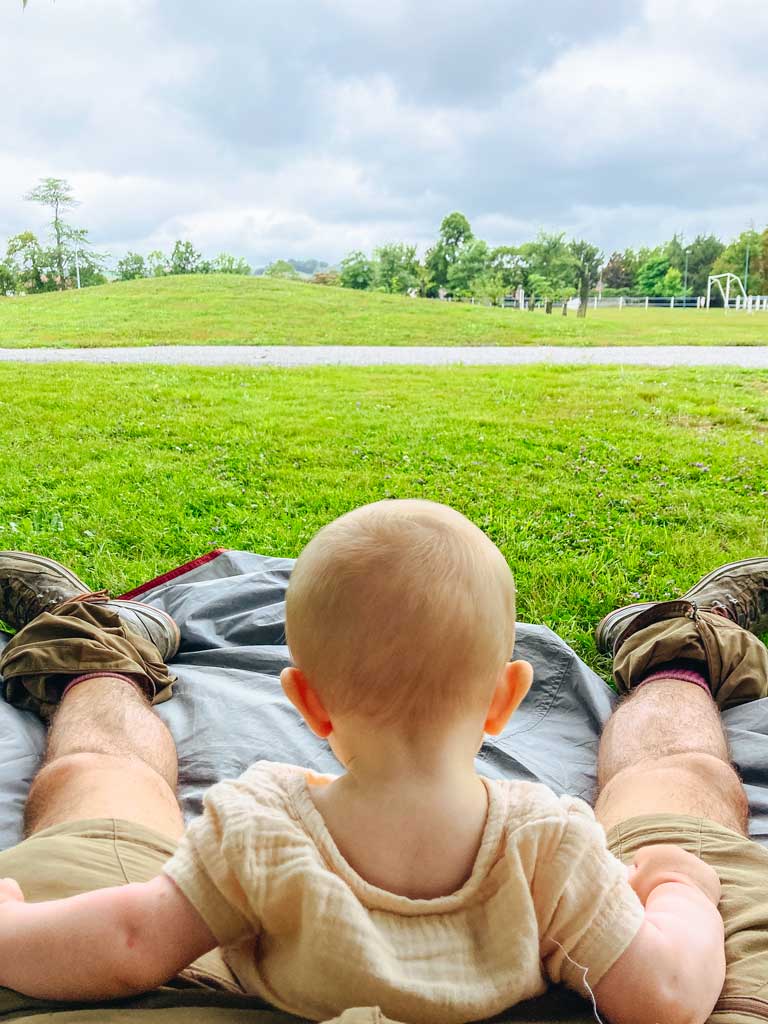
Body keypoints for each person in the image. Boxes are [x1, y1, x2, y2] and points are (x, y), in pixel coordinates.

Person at [0, 513, 764, 1024]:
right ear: (505, 699)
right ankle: (682, 646)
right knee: (682, 794)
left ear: (305, 701)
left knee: (99, 786)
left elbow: (131, 940)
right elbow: (665, 995)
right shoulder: (550, 846)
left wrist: (10, 929)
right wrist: (680, 889)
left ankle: (88, 640)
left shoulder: (258, 831)